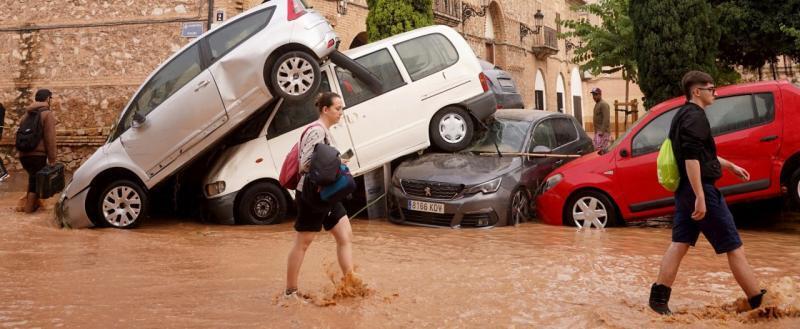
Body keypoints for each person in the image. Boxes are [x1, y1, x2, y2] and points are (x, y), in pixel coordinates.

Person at [648, 71, 766, 315]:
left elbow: (701, 154)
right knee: (734, 246)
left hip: (685, 191)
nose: (715, 93)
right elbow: (691, 159)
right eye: (711, 88)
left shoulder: (681, 115)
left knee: (678, 244)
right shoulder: (695, 117)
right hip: (700, 190)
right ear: (696, 91)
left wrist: (730, 166)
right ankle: (759, 303)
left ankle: (658, 300)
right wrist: (701, 195)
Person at [284, 92, 356, 300]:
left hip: (327, 193)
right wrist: (336, 164)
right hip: (311, 195)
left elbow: (323, 163)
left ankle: (350, 284)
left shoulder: (325, 131)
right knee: (303, 242)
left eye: (341, 108)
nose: (341, 113)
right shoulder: (316, 132)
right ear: (325, 110)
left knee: (345, 235)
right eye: (338, 109)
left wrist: (339, 162)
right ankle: (290, 292)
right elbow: (305, 164)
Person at [16, 89, 57, 213]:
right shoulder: (47, 114)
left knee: (33, 179)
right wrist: (52, 158)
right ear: (47, 99)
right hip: (37, 155)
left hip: (23, 155)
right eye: (51, 98)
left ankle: (31, 206)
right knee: (35, 183)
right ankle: (28, 213)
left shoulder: (26, 115)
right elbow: (50, 138)